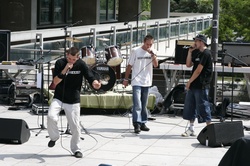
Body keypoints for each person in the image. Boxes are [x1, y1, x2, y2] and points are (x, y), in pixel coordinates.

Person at [47, 47, 101, 158]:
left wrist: (94, 82)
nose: (71, 61)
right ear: (66, 55)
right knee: (51, 116)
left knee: (75, 126)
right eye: (69, 58)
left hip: (73, 99)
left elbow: (89, 75)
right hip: (59, 97)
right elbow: (55, 81)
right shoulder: (60, 63)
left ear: (78, 57)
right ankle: (54, 137)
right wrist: (65, 69)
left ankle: (76, 149)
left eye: (73, 59)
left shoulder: (81, 64)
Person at [123, 34, 158, 134]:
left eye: (150, 44)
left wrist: (152, 55)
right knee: (137, 103)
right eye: (147, 44)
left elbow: (156, 65)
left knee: (144, 103)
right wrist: (126, 79)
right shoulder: (136, 51)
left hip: (147, 81)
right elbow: (129, 65)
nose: (149, 46)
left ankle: (143, 122)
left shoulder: (153, 51)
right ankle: (136, 123)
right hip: (136, 80)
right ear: (144, 42)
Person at [181, 34, 213, 137]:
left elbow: (199, 70)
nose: (195, 43)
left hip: (201, 84)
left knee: (203, 106)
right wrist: (190, 52)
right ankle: (191, 128)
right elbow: (188, 64)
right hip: (194, 84)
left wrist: (189, 81)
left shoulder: (206, 53)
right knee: (190, 106)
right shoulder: (197, 53)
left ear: (202, 42)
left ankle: (210, 129)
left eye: (197, 41)